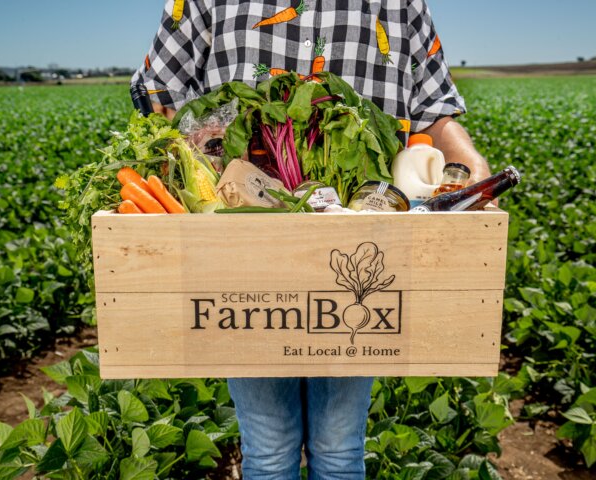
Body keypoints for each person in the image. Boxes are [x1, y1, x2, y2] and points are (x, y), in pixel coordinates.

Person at [132, 1, 492, 478]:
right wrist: (200, 149)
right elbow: (161, 95)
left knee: (339, 445)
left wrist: (475, 171)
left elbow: (434, 112)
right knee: (268, 443)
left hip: (362, 243)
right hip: (241, 249)